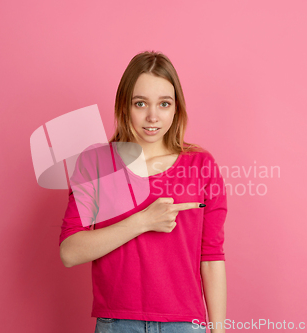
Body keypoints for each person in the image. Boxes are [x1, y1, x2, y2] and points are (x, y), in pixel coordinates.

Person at [59, 51, 228, 333]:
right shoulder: (96, 163)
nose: (153, 116)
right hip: (117, 324)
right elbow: (69, 252)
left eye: (164, 104)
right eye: (141, 103)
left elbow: (211, 258)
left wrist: (219, 332)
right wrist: (143, 221)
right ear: (125, 106)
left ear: (176, 108)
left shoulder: (201, 165)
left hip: (185, 325)